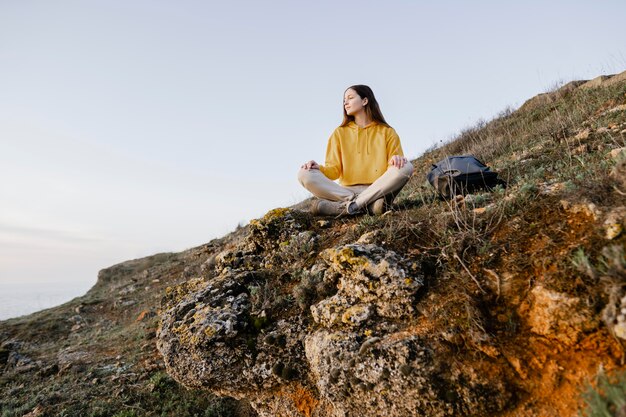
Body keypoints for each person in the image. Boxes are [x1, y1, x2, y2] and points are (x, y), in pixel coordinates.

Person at [298, 85, 414, 216]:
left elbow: (393, 169)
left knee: (406, 167)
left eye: (350, 98)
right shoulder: (339, 133)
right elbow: (334, 170)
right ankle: (367, 205)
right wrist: (318, 168)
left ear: (365, 101)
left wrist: (396, 159)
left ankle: (350, 207)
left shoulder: (387, 132)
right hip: (345, 192)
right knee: (304, 174)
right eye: (344, 100)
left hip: (377, 188)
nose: (345, 103)